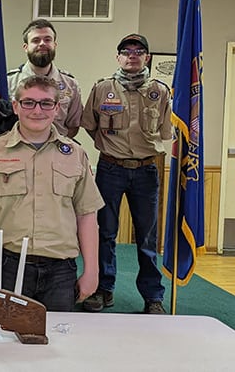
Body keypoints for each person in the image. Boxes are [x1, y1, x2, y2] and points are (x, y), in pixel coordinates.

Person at [0, 75, 104, 312]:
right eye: (28, 102)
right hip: (8, 265)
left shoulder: (75, 154)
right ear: (15, 106)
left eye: (46, 103)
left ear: (57, 108)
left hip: (60, 269)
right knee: (5, 338)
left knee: (57, 337)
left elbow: (87, 216)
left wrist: (92, 270)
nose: (37, 110)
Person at [80, 34, 171, 314]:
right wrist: (111, 147)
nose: (132, 55)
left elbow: (166, 132)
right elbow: (89, 124)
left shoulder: (160, 91)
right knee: (105, 232)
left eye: (139, 51)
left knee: (147, 237)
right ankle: (103, 290)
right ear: (117, 57)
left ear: (147, 57)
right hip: (110, 169)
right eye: (126, 51)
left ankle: (152, 296)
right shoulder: (102, 88)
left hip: (146, 170)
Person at [7, 19, 82, 138]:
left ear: (54, 45)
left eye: (47, 39)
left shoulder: (70, 84)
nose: (42, 43)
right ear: (26, 47)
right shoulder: (9, 82)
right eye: (36, 40)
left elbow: (73, 126)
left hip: (56, 152)